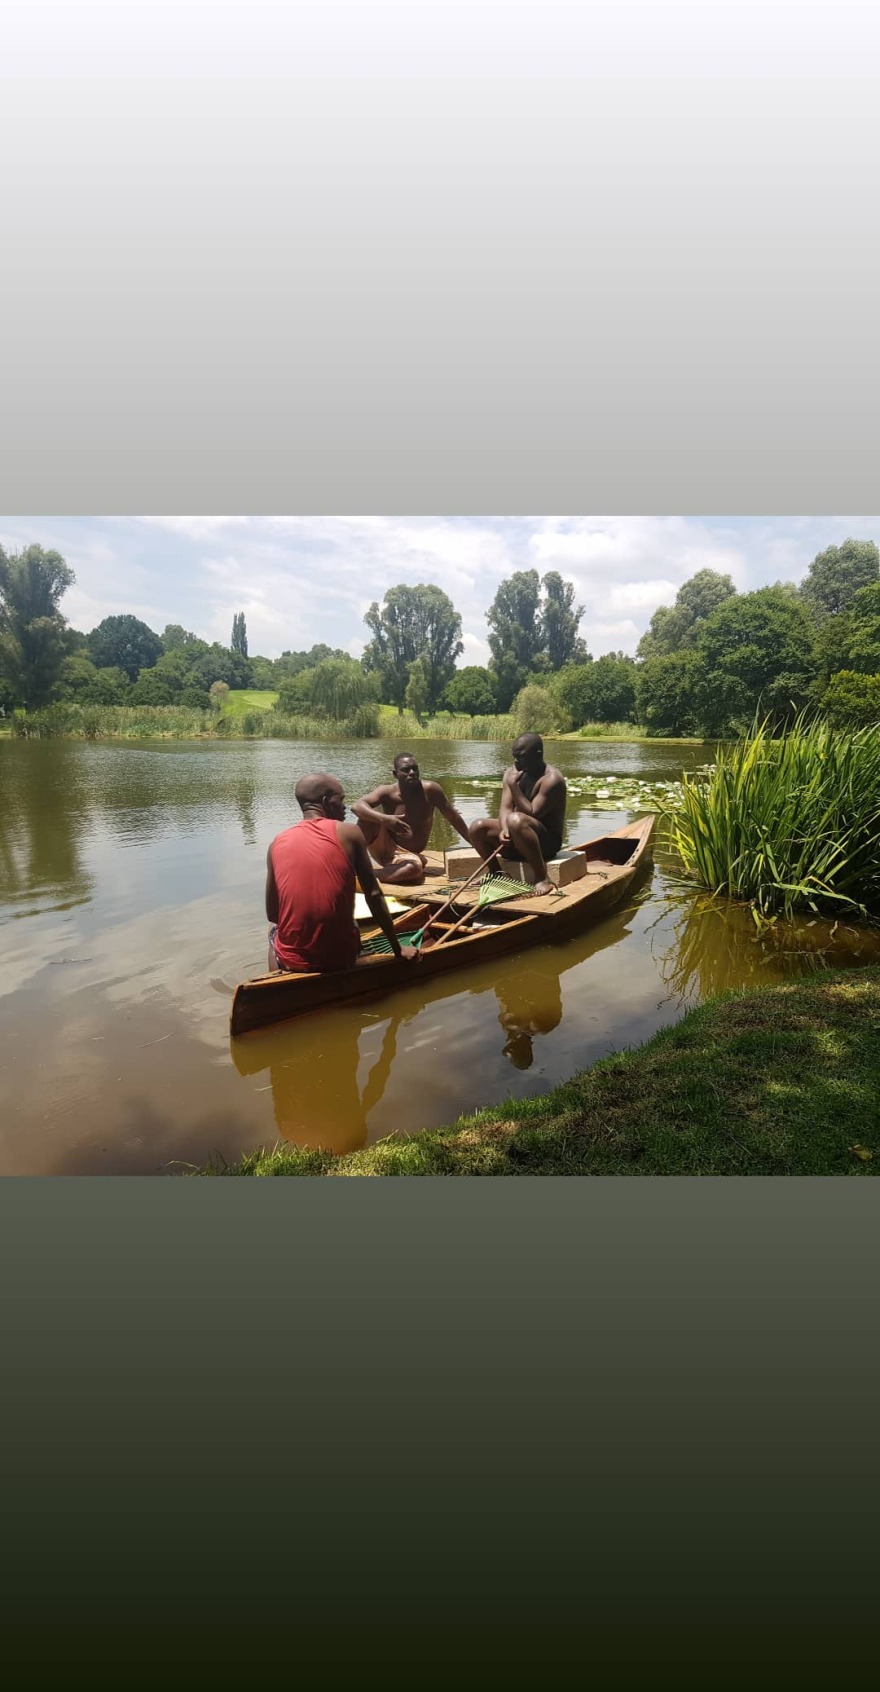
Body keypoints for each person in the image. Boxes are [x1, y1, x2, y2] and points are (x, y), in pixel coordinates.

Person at [265, 773, 420, 973]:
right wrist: (398, 950)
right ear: (325, 802)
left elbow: (272, 912)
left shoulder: (276, 843)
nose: (345, 807)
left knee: (272, 929)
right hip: (341, 957)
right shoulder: (350, 833)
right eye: (341, 800)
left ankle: (277, 975)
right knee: (350, 921)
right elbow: (374, 895)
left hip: (292, 961)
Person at [352, 752, 473, 886]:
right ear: (395, 774)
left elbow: (453, 817)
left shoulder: (431, 790)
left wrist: (474, 843)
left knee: (412, 870)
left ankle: (368, 873)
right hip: (384, 847)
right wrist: (386, 819)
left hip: (408, 855)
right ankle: (350, 863)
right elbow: (356, 806)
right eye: (405, 770)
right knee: (366, 818)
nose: (412, 773)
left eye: (415, 769)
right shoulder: (386, 791)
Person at [469, 733, 567, 897]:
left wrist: (514, 786)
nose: (516, 762)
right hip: (516, 838)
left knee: (516, 820)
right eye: (514, 757)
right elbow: (505, 807)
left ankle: (542, 876)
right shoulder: (512, 773)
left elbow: (533, 812)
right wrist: (505, 830)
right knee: (477, 827)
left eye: (521, 757)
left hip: (545, 845)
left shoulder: (552, 779)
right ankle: (495, 872)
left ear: (537, 754)